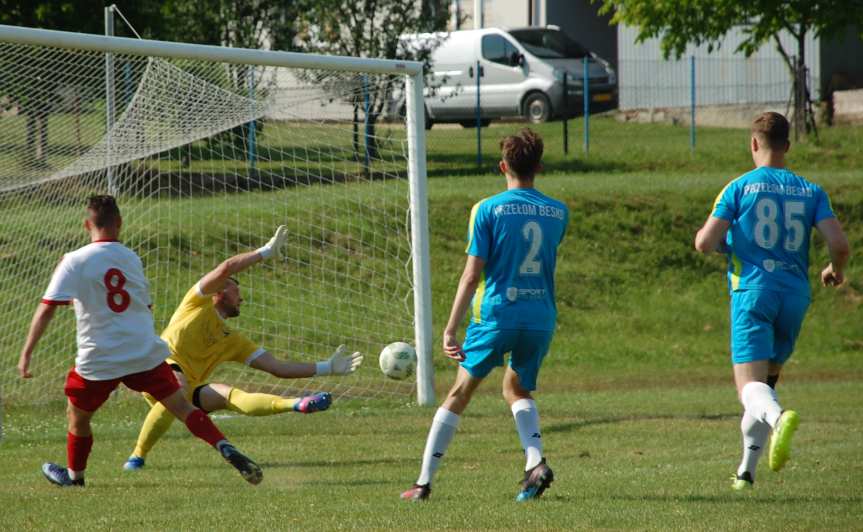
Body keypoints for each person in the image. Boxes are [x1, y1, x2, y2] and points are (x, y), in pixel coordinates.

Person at [17, 195, 263, 487]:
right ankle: (224, 445)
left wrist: (26, 354)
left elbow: (47, 308)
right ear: (119, 223)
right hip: (143, 352)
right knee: (183, 409)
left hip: (100, 358)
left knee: (78, 417)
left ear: (87, 225)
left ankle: (75, 478)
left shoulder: (74, 260)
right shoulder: (131, 258)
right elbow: (141, 306)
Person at [401, 129, 569, 502]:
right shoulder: (559, 211)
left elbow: (472, 274)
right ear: (539, 167)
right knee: (516, 388)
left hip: (495, 316)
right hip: (540, 316)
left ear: (502, 166)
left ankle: (422, 483)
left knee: (459, 393)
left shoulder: (487, 208)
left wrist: (449, 329)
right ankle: (535, 462)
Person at [694, 112, 850, 490]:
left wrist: (727, 245)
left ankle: (779, 420)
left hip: (753, 291)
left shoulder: (738, 188)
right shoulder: (811, 191)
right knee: (764, 387)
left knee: (749, 388)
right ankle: (746, 472)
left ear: (753, 143)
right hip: (795, 296)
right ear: (788, 146)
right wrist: (834, 269)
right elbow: (840, 244)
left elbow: (704, 243)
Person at [123, 226, 362, 471]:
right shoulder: (196, 303)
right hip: (161, 369)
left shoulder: (233, 339)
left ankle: (296, 404)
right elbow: (226, 268)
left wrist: (327, 367)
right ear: (220, 291)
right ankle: (136, 456)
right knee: (178, 387)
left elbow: (277, 368)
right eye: (237, 290)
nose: (242, 298)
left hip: (190, 388)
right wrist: (265, 252)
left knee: (231, 395)